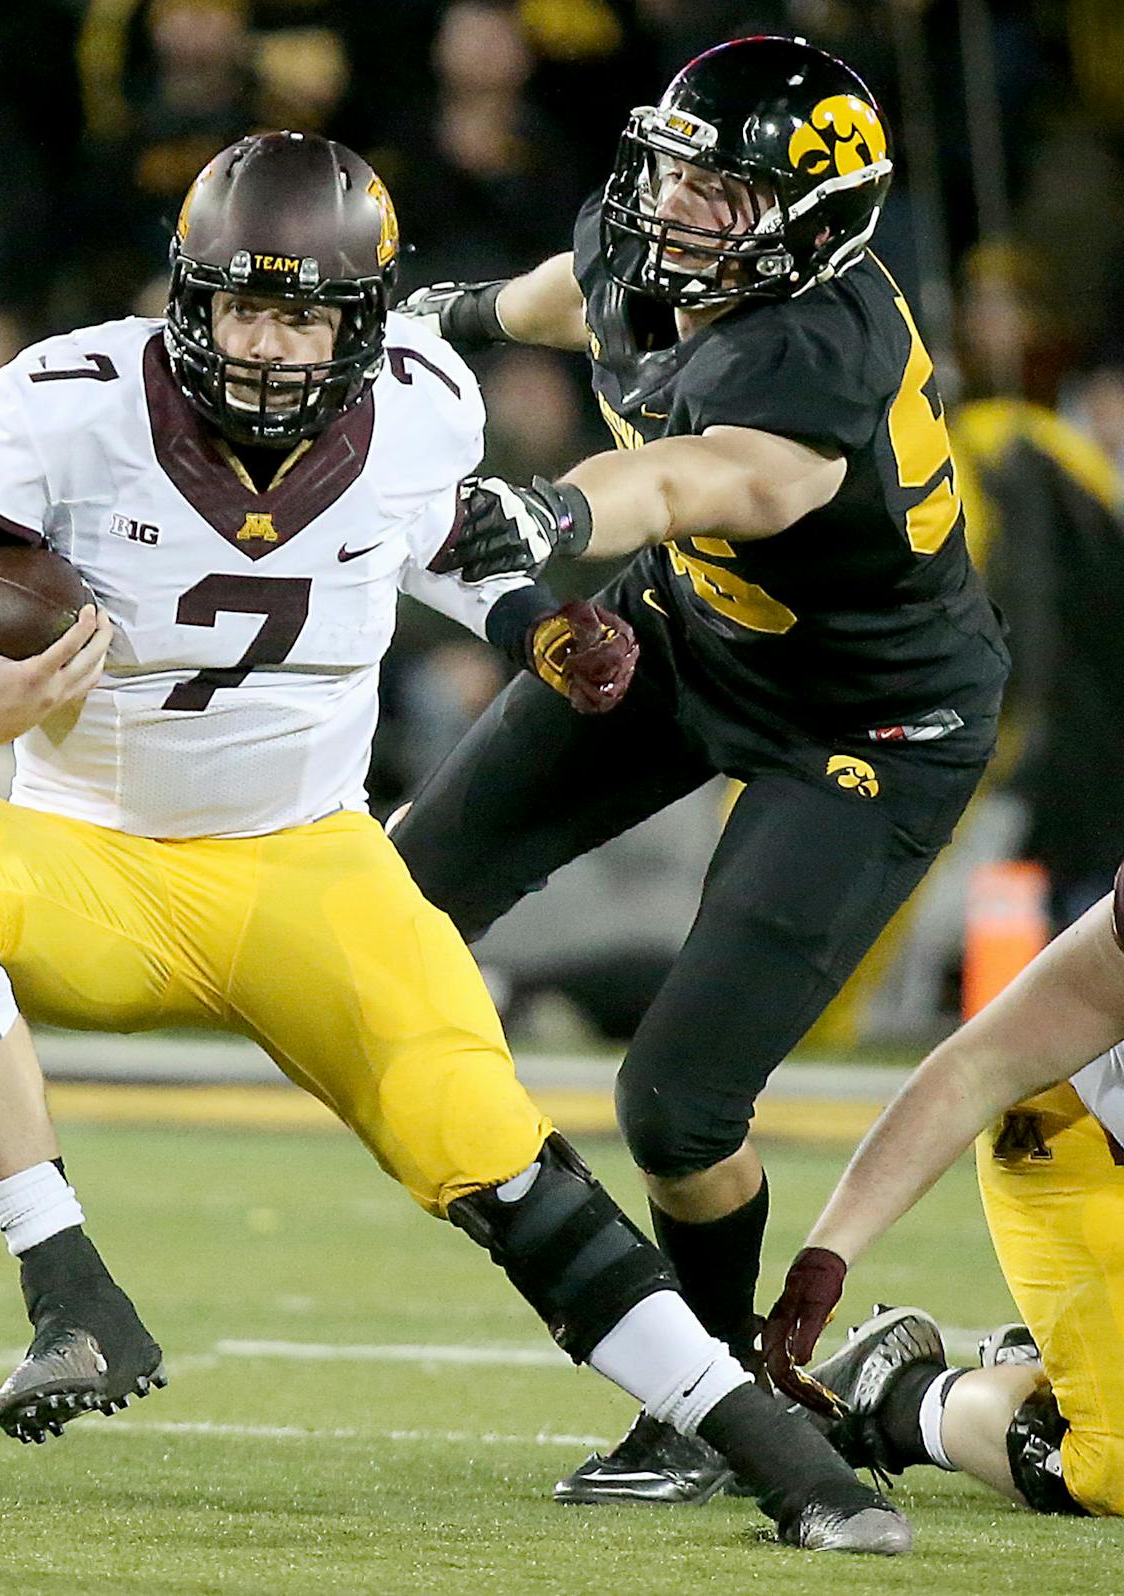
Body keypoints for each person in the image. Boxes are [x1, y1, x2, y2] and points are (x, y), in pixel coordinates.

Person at [0, 131, 906, 1554]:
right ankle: (71, 1291)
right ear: (187, 298)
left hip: (309, 870)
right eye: (241, 306)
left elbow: (426, 544)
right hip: (97, 861)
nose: (268, 345)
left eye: (303, 312)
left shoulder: (421, 403)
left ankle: (786, 1459)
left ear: (361, 319)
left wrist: (530, 623)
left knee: (501, 1158)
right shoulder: (67, 400)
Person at [392, 34, 1010, 1506]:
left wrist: (549, 512)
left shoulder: (815, 354)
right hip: (698, 637)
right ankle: (510, 1195)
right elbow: (575, 293)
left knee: (675, 1108)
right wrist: (448, 310)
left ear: (809, 215)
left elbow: (686, 478)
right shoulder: (654, 243)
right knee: (390, 902)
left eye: (717, 192)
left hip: (868, 727)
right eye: (672, 170)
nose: (673, 209)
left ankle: (716, 1393)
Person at [761, 874, 1124, 1521]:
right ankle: (893, 1394)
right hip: (1066, 1131)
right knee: (1115, 1469)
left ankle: (1050, 1369)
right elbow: (979, 1066)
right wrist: (829, 1253)